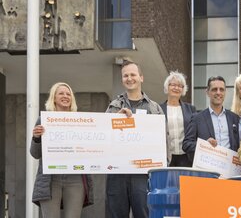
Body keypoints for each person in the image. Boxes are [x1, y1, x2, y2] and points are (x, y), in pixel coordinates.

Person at [105, 60, 164, 218]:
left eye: (133, 74)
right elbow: (104, 136)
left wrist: (161, 166)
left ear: (141, 78)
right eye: (125, 76)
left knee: (144, 214)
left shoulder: (154, 108)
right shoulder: (113, 107)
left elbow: (164, 141)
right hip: (118, 172)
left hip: (143, 173)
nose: (129, 78)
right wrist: (115, 121)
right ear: (122, 79)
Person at [31, 82, 94, 218]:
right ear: (54, 98)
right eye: (61, 93)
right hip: (50, 180)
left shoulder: (81, 121)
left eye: (68, 94)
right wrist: (36, 137)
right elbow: (35, 154)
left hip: (75, 179)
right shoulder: (43, 121)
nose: (65, 96)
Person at [182, 76, 240, 162]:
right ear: (207, 92)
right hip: (207, 168)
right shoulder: (197, 118)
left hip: (230, 170)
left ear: (225, 92)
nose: (218, 92)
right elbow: (186, 145)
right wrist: (204, 145)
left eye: (221, 89)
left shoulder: (234, 118)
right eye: (214, 89)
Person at [160, 71, 196, 167]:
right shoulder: (158, 109)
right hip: (166, 156)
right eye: (173, 85)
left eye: (180, 86)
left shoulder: (191, 109)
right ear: (167, 87)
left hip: (186, 157)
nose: (176, 88)